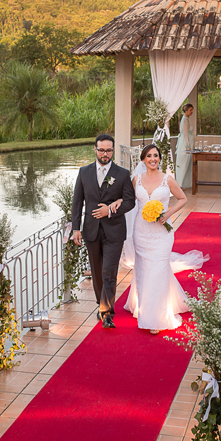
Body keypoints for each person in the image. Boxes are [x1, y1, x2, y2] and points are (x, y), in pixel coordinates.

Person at [123, 144, 206, 334]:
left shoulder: (167, 179)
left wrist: (168, 214)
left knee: (159, 269)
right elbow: (128, 200)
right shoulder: (136, 179)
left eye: (156, 156)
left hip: (161, 233)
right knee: (144, 269)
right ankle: (142, 306)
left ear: (159, 159)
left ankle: (157, 315)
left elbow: (183, 198)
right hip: (141, 232)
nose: (153, 159)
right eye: (149, 156)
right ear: (143, 159)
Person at [72, 134, 136, 329]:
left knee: (109, 271)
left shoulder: (123, 174)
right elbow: (77, 202)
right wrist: (76, 228)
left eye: (108, 150)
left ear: (112, 151)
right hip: (91, 231)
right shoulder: (84, 172)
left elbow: (130, 201)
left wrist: (109, 209)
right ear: (95, 149)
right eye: (101, 150)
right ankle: (101, 305)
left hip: (114, 231)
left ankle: (107, 313)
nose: (105, 154)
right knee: (98, 273)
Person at [174, 103, 195, 189]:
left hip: (187, 141)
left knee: (187, 163)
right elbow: (185, 134)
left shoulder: (187, 119)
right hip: (185, 144)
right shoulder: (185, 120)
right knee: (183, 163)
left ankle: (183, 183)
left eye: (192, 110)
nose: (192, 111)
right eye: (190, 110)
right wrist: (188, 146)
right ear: (186, 111)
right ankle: (180, 184)